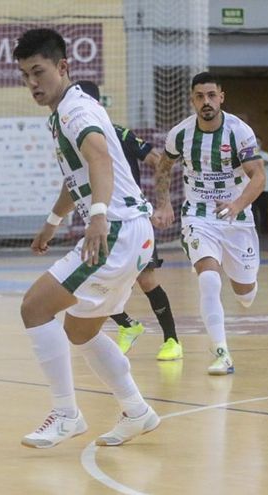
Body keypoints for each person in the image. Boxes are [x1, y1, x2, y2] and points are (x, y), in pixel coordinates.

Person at [13, 28, 160, 449]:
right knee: (80, 331)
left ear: (63, 67)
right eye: (25, 75)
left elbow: (98, 158)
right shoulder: (67, 111)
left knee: (34, 308)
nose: (32, 83)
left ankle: (66, 414)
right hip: (131, 232)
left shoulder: (76, 112)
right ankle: (137, 411)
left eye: (38, 71)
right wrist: (54, 219)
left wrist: (96, 217)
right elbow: (78, 175)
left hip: (114, 232)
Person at [152, 72, 266, 376]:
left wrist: (238, 204)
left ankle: (246, 281)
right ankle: (221, 353)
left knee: (245, 293)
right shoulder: (180, 134)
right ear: (192, 99)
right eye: (200, 96)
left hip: (237, 218)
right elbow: (163, 168)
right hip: (198, 215)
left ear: (221, 97)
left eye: (212, 96)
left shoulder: (239, 132)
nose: (206, 102)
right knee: (209, 279)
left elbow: (259, 176)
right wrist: (163, 202)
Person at [76, 80, 182, 361]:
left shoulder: (120, 134)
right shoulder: (76, 138)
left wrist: (163, 201)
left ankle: (172, 340)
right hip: (101, 222)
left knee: (147, 280)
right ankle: (128, 325)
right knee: (91, 282)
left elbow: (158, 161)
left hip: (131, 220)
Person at [251, 137, 268, 234]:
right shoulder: (250, 154)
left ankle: (265, 230)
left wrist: (256, 155)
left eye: (259, 142)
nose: (257, 144)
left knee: (264, 210)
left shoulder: (265, 155)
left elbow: (265, 163)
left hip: (265, 188)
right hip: (253, 187)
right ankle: (255, 229)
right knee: (253, 209)